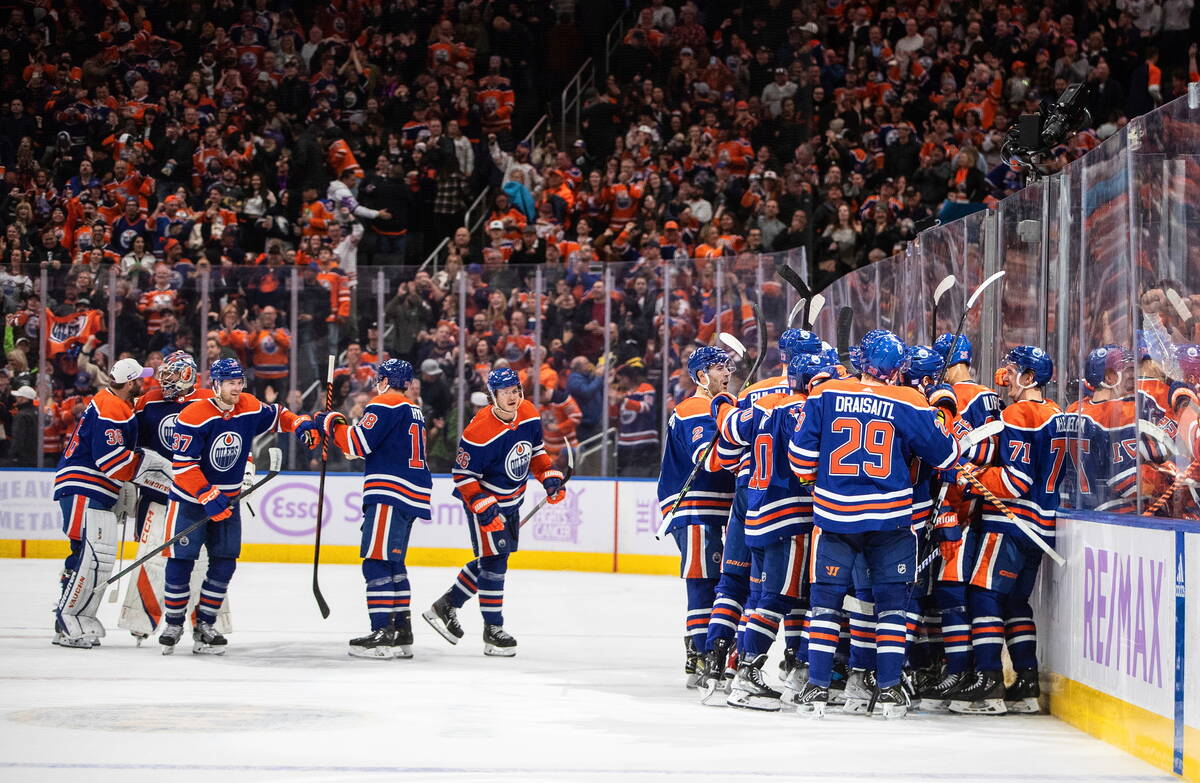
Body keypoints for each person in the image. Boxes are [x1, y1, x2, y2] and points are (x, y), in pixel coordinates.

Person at [790, 332, 959, 718]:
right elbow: (947, 456)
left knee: (826, 605)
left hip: (834, 517)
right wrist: (939, 417)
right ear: (898, 368)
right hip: (890, 519)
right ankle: (887, 690)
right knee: (892, 607)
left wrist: (819, 482)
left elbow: (800, 456)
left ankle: (816, 688)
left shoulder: (826, 393)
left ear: (860, 360)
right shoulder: (909, 400)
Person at [157, 358, 318, 655]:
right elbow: (182, 466)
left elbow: (277, 415)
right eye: (231, 382)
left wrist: (299, 423)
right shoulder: (194, 415)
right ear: (215, 384)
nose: (237, 387)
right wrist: (206, 495)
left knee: (225, 561)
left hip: (228, 503)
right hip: (190, 502)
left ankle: (205, 623)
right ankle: (174, 623)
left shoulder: (249, 405)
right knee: (180, 561)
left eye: (239, 381)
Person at [950, 346, 1077, 715]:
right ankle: (1025, 683)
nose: (1004, 374)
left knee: (984, 596)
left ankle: (988, 681)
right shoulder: (1058, 413)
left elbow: (1015, 479)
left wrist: (972, 478)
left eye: (1011, 368)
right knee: (1016, 602)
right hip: (1041, 525)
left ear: (1029, 377)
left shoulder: (1019, 412)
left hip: (1011, 522)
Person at [698, 328, 819, 702]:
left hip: (747, 497)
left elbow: (728, 456)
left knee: (733, 584)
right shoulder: (818, 398)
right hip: (790, 501)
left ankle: (718, 662)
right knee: (791, 590)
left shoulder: (753, 394)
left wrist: (722, 403)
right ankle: (792, 664)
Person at [421, 368, 565, 656]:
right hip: (484, 502)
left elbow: (535, 451)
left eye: (516, 390)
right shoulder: (478, 431)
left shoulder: (529, 412)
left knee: (492, 558)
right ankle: (492, 629)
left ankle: (446, 605)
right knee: (495, 562)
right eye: (506, 392)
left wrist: (548, 476)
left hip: (514, 500)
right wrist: (482, 506)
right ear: (493, 395)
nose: (513, 396)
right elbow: (463, 476)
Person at [318, 359, 431, 659]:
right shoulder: (412, 408)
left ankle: (382, 633)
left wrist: (333, 423)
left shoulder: (385, 404)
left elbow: (358, 443)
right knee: (393, 564)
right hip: (410, 493)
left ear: (384, 380)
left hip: (389, 492)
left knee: (375, 563)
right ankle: (401, 632)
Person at [52, 358, 166, 648]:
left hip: (92, 485)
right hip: (83, 484)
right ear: (129, 383)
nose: (143, 382)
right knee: (86, 555)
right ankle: (68, 621)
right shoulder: (112, 408)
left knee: (91, 556)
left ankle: (70, 618)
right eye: (139, 379)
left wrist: (123, 483)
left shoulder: (112, 402)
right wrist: (148, 468)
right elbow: (110, 459)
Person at [118, 352, 230, 643]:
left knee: (202, 562)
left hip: (198, 497)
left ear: (186, 374)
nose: (163, 379)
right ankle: (141, 619)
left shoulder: (210, 399)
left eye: (170, 373)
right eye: (163, 373)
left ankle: (205, 623)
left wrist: (244, 467)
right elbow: (134, 446)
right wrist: (126, 482)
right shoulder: (149, 401)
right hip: (157, 496)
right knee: (152, 557)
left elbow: (230, 436)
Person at [656, 345, 736, 688]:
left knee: (717, 581)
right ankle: (701, 655)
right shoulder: (694, 407)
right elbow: (707, 457)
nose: (727, 373)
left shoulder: (720, 406)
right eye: (720, 368)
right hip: (693, 505)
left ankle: (703, 653)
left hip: (715, 505)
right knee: (704, 581)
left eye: (728, 367)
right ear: (702, 376)